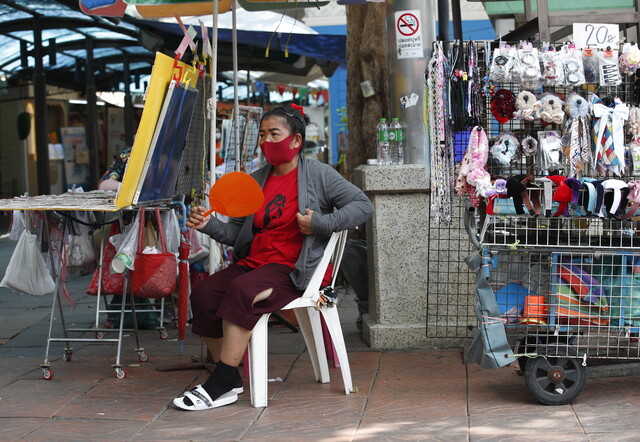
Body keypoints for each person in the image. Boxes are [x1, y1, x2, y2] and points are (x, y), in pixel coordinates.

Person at [173, 104, 374, 411]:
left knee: (243, 291)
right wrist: (208, 225)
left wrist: (319, 223)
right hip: (254, 264)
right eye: (263, 135)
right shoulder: (255, 181)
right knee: (203, 295)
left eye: (274, 134)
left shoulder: (319, 175)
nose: (267, 141)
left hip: (294, 269)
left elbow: (363, 206)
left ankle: (222, 381)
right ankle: (227, 375)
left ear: (295, 140)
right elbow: (234, 235)